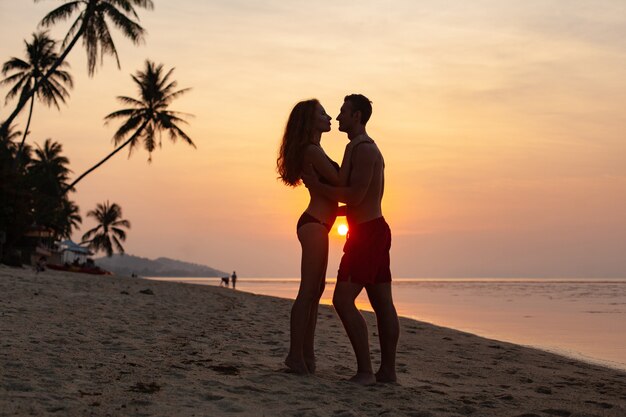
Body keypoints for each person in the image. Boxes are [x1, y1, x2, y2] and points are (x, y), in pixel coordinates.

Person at [302, 94, 399, 385]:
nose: (339, 116)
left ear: (357, 116)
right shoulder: (353, 148)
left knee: (342, 300)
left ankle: (366, 372)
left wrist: (319, 187)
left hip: (369, 235)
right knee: (382, 304)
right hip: (370, 230)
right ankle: (387, 373)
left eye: (343, 112)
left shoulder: (366, 150)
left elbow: (355, 196)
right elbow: (357, 198)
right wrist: (333, 206)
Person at [277, 98, 349, 374]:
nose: (329, 117)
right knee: (308, 292)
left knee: (315, 292)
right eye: (322, 114)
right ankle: (296, 355)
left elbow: (329, 192)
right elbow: (340, 182)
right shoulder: (311, 151)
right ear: (310, 120)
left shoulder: (316, 149)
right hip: (314, 225)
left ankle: (307, 354)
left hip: (320, 223)